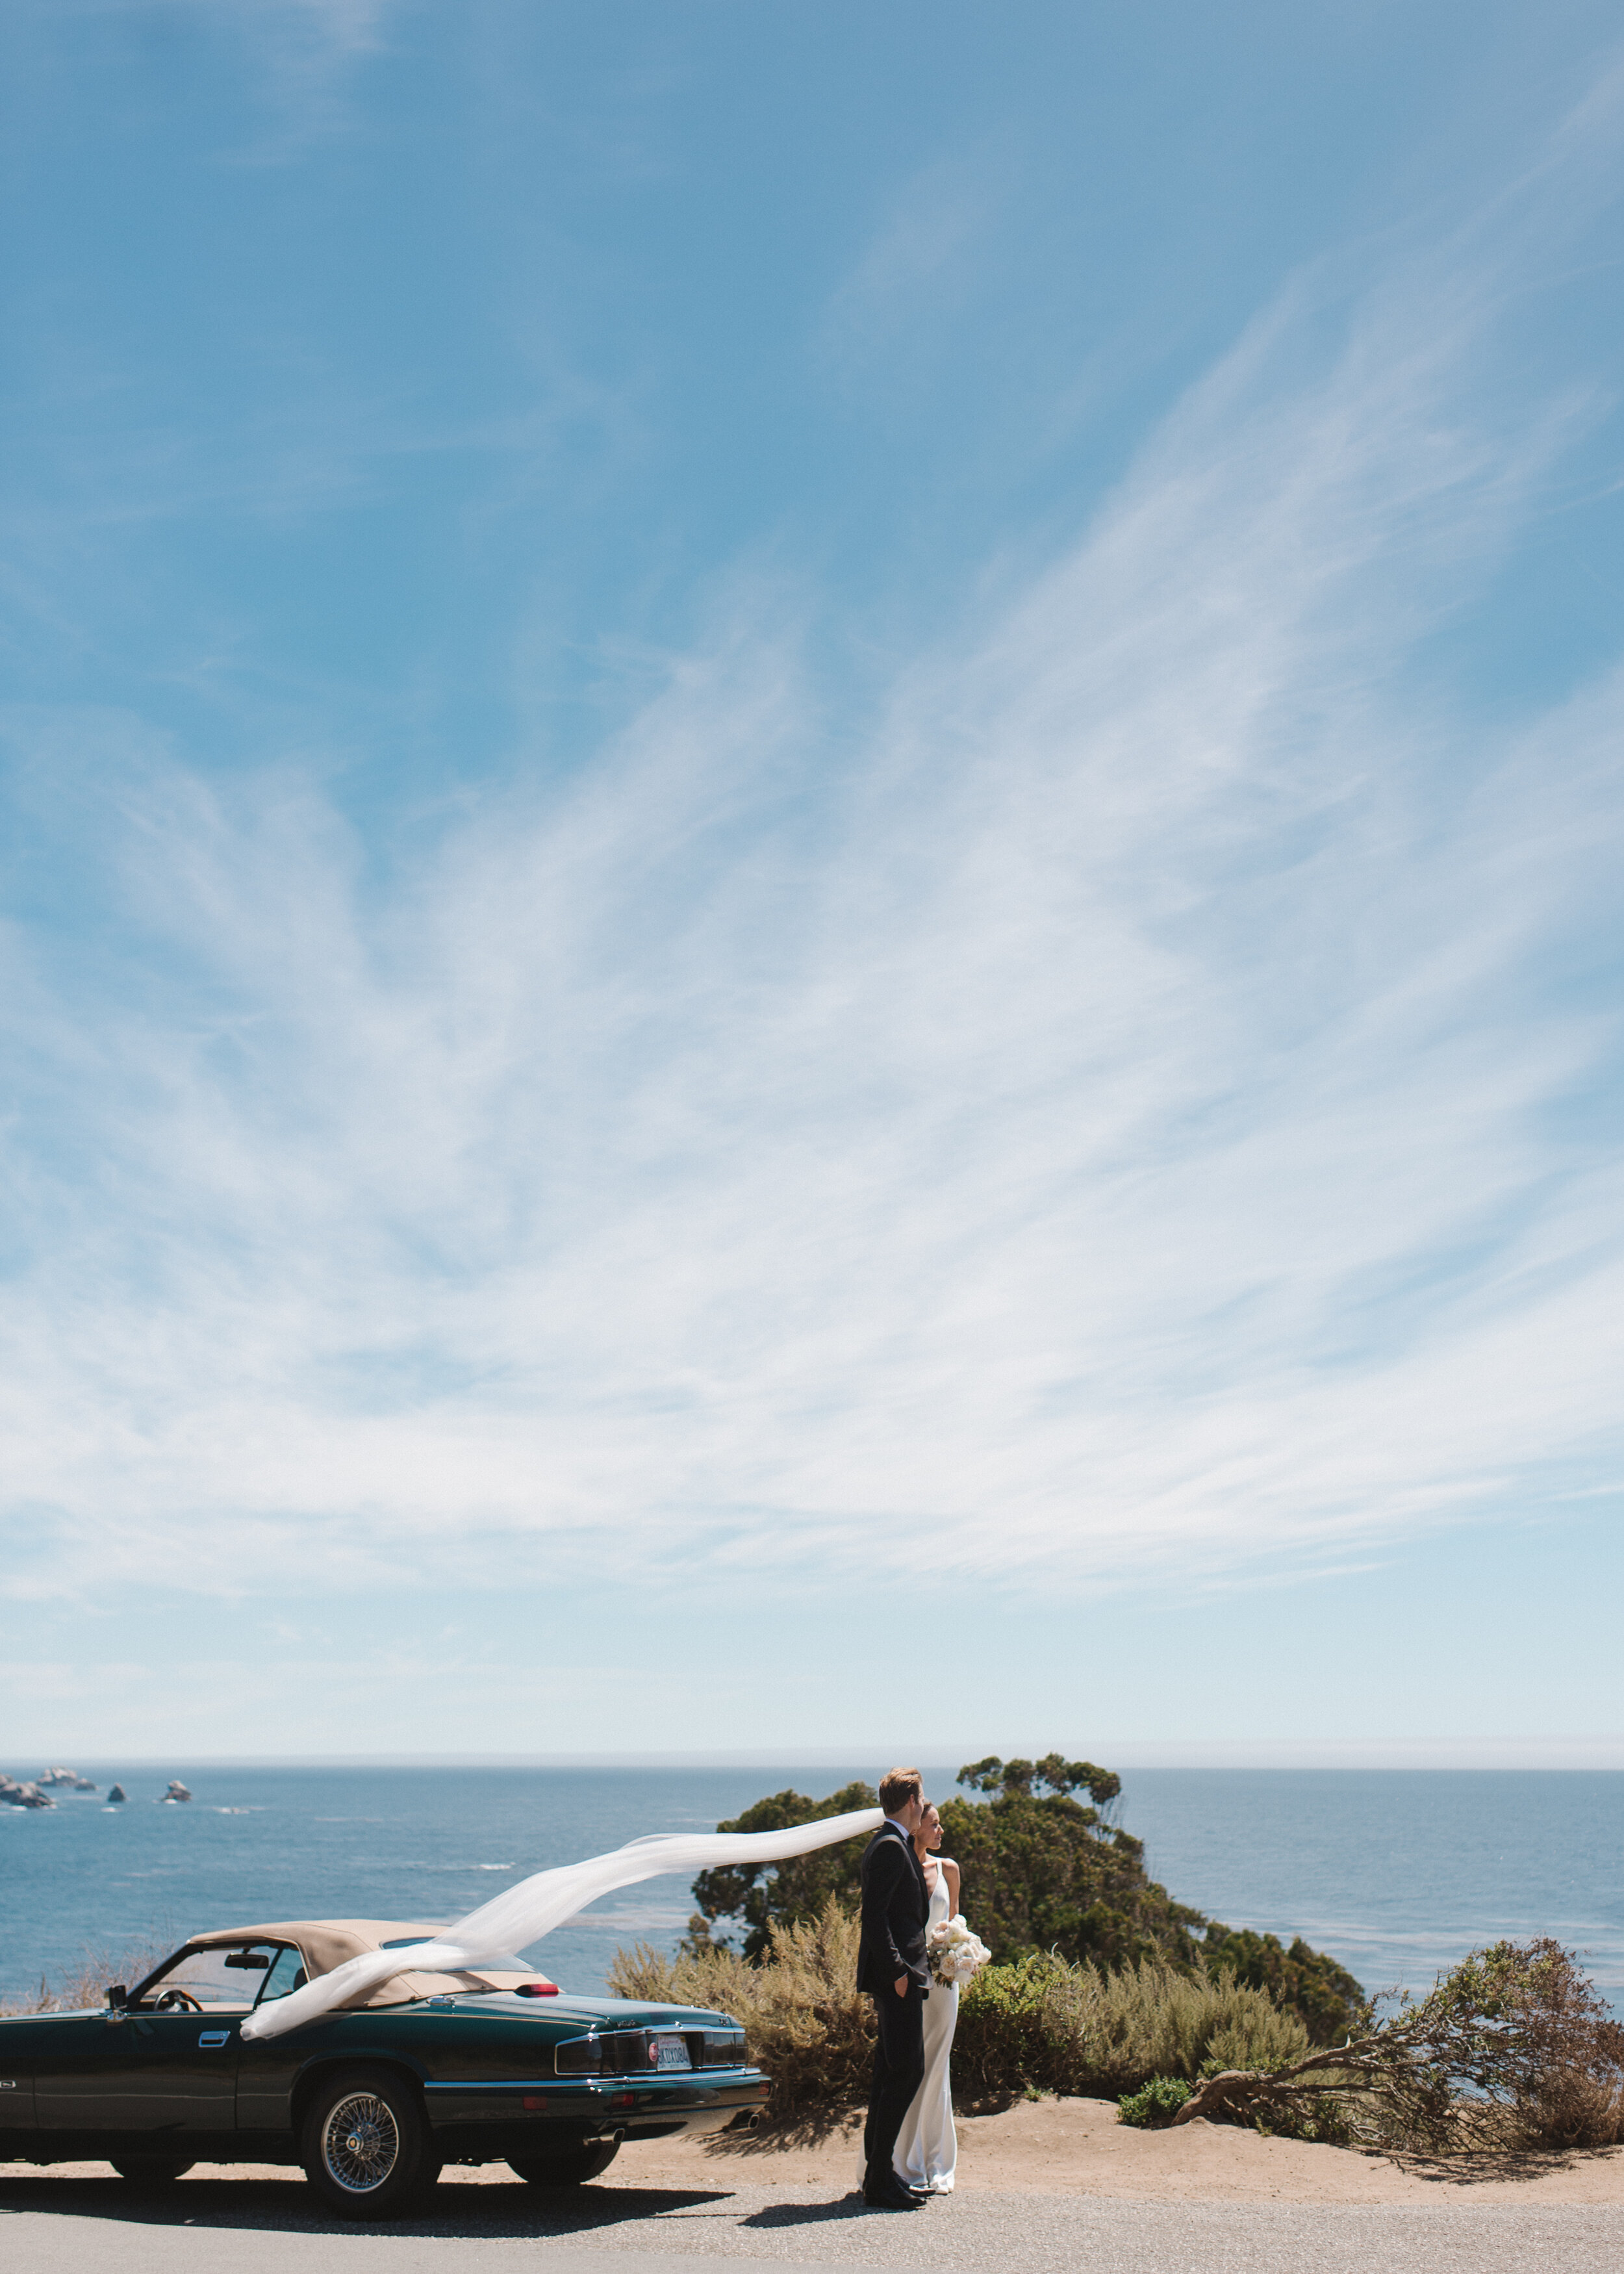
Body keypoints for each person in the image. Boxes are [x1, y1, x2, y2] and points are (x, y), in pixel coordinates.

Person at [856, 1767, 930, 2209]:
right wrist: (899, 1971)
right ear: (911, 1801)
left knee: (890, 2074)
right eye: (921, 1799)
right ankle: (879, 2179)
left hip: (901, 1977)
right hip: (897, 1980)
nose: (924, 1805)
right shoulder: (888, 1846)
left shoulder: (894, 1843)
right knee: (906, 2072)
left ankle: (880, 2174)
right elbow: (874, 1918)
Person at [891, 1801, 960, 2192]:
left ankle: (937, 2162)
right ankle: (906, 2160)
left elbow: (954, 1926)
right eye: (934, 1824)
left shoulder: (948, 1869)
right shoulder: (901, 1868)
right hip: (909, 1984)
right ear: (916, 1828)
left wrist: (960, 1957)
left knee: (937, 2067)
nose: (940, 1830)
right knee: (910, 2068)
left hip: (943, 1987)